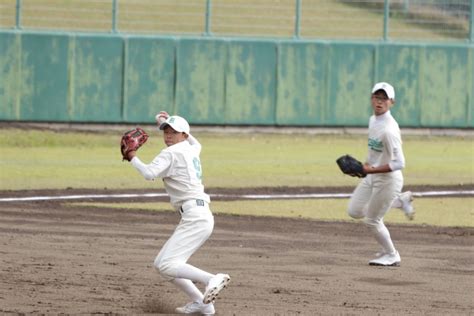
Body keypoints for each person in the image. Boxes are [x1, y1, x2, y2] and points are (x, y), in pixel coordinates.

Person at [124, 112, 230, 315]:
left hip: (195, 216)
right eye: (166, 131)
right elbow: (197, 143)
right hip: (200, 215)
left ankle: (212, 279)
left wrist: (132, 157)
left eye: (174, 132)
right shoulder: (191, 149)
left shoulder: (171, 153)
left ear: (183, 135)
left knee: (168, 264)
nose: (168, 136)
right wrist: (165, 122)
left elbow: (149, 174)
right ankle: (203, 303)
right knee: (161, 264)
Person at [347, 82, 414, 266]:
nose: (380, 101)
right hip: (372, 176)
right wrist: (364, 167)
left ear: (392, 102)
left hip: (389, 181)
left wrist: (371, 169)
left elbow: (400, 162)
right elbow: (375, 153)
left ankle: (392, 254)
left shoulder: (389, 130)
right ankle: (400, 201)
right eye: (377, 97)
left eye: (384, 98)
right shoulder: (373, 120)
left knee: (372, 221)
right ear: (371, 99)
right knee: (354, 210)